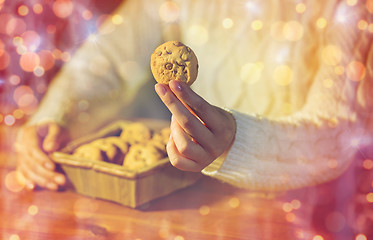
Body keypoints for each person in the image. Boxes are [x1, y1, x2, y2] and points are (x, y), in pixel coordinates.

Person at [15, 0, 373, 191]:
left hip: (299, 211)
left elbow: (338, 131)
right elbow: (105, 60)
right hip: (188, 195)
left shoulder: (346, 7)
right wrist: (55, 118)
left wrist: (239, 141)